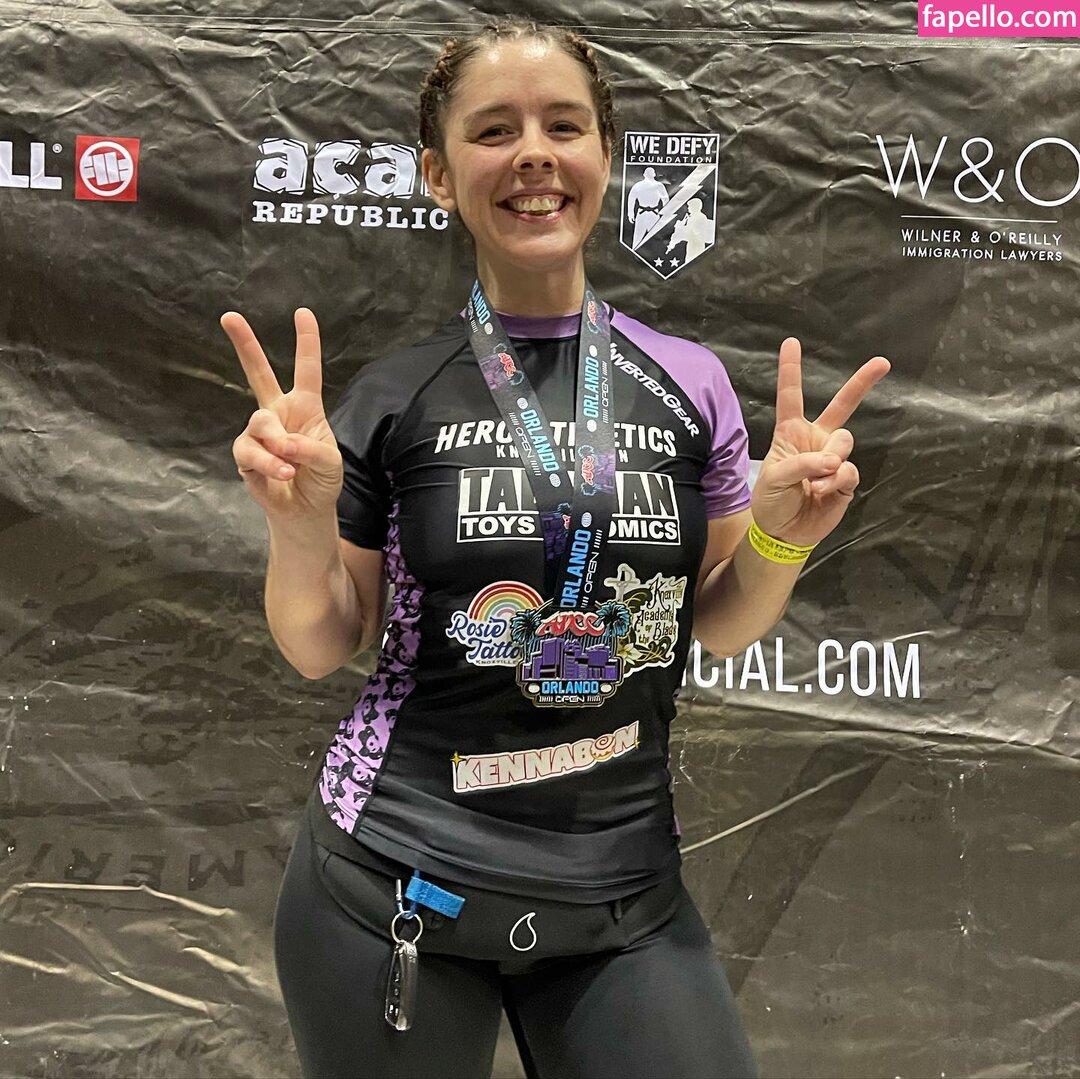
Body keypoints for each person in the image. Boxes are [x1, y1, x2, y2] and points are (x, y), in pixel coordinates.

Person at [221, 17, 889, 1079]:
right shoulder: (395, 395)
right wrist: (297, 523)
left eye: (563, 125)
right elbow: (319, 642)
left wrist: (780, 535)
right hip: (395, 884)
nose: (532, 153)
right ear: (440, 175)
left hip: (623, 896)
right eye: (494, 131)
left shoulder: (689, 381)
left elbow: (721, 621)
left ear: (605, 158)